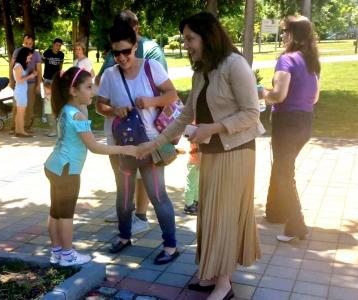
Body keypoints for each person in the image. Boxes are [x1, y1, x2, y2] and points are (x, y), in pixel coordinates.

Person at [137, 12, 264, 299]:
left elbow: (251, 114)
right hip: (213, 152)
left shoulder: (235, 64)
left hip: (237, 152)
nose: (186, 44)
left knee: (225, 216)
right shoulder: (201, 71)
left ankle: (224, 284)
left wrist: (213, 128)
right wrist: (153, 143)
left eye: (190, 38)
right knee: (210, 214)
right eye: (185, 39)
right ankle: (210, 275)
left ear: (208, 36)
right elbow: (184, 117)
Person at [97, 22, 179, 265]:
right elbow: (99, 106)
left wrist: (151, 101)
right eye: (116, 53)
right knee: (123, 197)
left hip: (151, 144)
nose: (121, 58)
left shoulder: (151, 67)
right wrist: (114, 109)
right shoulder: (110, 75)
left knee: (157, 195)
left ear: (135, 46)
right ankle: (124, 237)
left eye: (126, 51)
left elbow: (173, 95)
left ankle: (171, 246)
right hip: (122, 147)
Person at [44, 66, 137, 267]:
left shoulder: (66, 110)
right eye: (88, 87)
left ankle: (57, 251)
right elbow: (94, 147)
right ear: (73, 90)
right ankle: (68, 255)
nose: (93, 92)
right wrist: (125, 149)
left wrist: (84, 101)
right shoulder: (76, 116)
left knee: (56, 212)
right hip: (68, 170)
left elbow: (84, 108)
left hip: (55, 166)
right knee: (66, 214)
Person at [260, 16, 320, 242]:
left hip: (286, 124)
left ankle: (297, 225)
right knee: (283, 168)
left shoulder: (286, 60)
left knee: (285, 174)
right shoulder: (312, 61)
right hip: (305, 123)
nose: (283, 35)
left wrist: (261, 92)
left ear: (296, 35)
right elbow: (315, 98)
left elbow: (278, 95)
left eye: (286, 31)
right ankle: (275, 212)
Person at [10, 34, 42, 132]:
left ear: (33, 43)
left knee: (29, 106)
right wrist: (11, 80)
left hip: (31, 84)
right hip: (20, 84)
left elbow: (39, 70)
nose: (28, 45)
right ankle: (14, 127)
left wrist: (38, 84)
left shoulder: (36, 54)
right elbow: (12, 66)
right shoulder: (17, 51)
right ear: (23, 42)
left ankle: (26, 126)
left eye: (30, 43)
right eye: (26, 43)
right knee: (17, 106)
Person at [42, 38, 65, 137]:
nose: (58, 47)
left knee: (54, 102)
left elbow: (60, 66)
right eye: (57, 45)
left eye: (60, 45)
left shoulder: (61, 55)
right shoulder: (47, 52)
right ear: (53, 44)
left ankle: (54, 127)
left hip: (56, 81)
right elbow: (41, 62)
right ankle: (48, 122)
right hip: (47, 80)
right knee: (47, 101)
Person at [12, 47, 37, 138]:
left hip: (21, 91)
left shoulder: (20, 65)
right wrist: (30, 76)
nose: (30, 59)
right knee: (21, 113)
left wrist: (30, 74)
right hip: (20, 92)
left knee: (19, 113)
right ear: (24, 55)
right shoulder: (18, 66)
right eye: (29, 57)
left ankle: (18, 131)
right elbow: (19, 80)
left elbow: (21, 78)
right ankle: (21, 131)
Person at [183, 142, 200, 215]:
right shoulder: (196, 135)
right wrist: (200, 160)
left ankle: (195, 201)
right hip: (195, 163)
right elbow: (196, 148)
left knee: (196, 184)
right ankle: (189, 204)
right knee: (191, 184)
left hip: (197, 162)